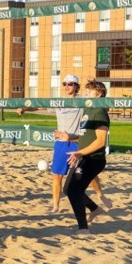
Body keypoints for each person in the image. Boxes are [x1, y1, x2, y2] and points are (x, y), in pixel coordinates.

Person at [17, 74, 111, 213]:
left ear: (77, 86)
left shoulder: (82, 100)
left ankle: (100, 194)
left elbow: (99, 99)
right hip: (61, 143)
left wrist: (94, 83)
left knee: (87, 175)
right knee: (57, 175)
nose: (67, 86)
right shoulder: (59, 101)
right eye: (65, 84)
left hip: (77, 141)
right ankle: (55, 206)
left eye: (71, 84)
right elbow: (40, 106)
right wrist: (24, 109)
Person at [64, 80, 110, 235]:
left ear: (99, 94)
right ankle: (94, 209)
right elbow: (86, 136)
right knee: (69, 189)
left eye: (89, 92)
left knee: (74, 190)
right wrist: (70, 138)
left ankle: (83, 228)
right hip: (84, 157)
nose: (86, 94)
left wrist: (80, 153)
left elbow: (101, 141)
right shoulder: (88, 110)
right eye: (86, 91)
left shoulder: (99, 111)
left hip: (93, 159)